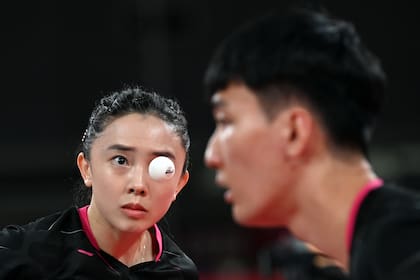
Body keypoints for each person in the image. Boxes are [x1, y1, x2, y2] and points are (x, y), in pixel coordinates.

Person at [203, 6, 420, 280]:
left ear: (294, 132)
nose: (211, 155)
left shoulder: (406, 254)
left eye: (226, 121)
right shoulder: (371, 252)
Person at [0, 87, 199, 279]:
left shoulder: (180, 272)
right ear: (87, 168)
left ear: (179, 185)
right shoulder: (18, 255)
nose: (138, 184)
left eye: (159, 166)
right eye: (120, 160)